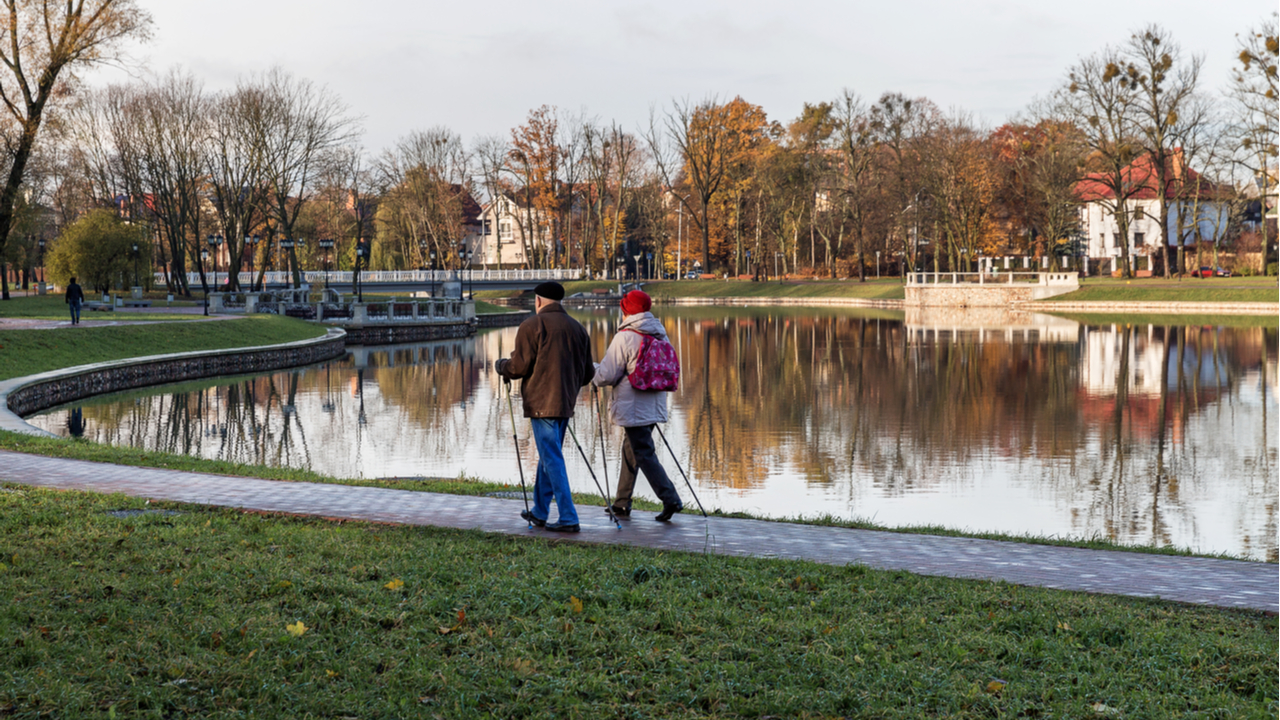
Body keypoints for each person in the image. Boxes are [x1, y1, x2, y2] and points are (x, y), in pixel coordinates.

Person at [495, 281, 595, 533]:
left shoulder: (532, 325)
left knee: (552, 458)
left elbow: (518, 367)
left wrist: (501, 365)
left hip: (542, 403)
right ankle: (540, 511)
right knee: (548, 457)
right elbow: (587, 374)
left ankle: (569, 516)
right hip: (565, 403)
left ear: (538, 300)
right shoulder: (578, 328)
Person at [591, 290, 684, 522]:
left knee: (642, 452)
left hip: (633, 405)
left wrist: (592, 372)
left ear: (626, 311)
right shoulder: (661, 334)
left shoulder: (625, 336)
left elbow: (607, 375)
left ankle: (670, 497)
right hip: (654, 403)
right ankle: (622, 503)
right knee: (631, 450)